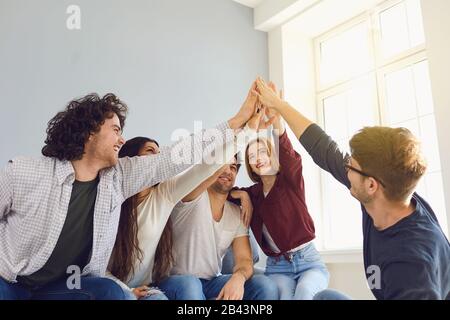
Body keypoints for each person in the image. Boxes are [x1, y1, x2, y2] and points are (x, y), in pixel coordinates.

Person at [0, 88, 256, 300]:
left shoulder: (118, 179)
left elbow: (174, 155)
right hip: (11, 281)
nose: (122, 139)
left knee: (110, 292)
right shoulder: (25, 172)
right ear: (89, 132)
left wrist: (235, 124)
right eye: (115, 129)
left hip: (62, 288)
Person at [253, 77, 450, 300]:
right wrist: (280, 106)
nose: (345, 166)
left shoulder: (412, 264)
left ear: (371, 185)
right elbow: (324, 149)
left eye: (351, 166)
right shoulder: (389, 194)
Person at [107, 108, 264, 300]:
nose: (158, 158)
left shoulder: (164, 195)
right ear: (129, 159)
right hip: (116, 289)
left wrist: (247, 131)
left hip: (148, 288)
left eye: (159, 153)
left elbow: (206, 169)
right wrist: (126, 291)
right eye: (150, 152)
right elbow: (96, 268)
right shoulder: (110, 200)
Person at [229, 83, 329, 300]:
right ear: (249, 165)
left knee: (303, 293)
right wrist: (242, 194)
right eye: (252, 156)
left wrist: (278, 122)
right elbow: (223, 189)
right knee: (282, 296)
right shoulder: (253, 194)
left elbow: (289, 155)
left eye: (263, 151)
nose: (258, 158)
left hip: (308, 261)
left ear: (271, 155)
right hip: (278, 266)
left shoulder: (289, 180)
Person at [158, 155, 279, 300]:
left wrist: (238, 278)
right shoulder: (190, 195)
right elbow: (199, 177)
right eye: (222, 164)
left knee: (264, 286)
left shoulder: (236, 213)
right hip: (174, 281)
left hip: (211, 282)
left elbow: (244, 260)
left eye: (233, 168)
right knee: (191, 285)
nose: (227, 171)